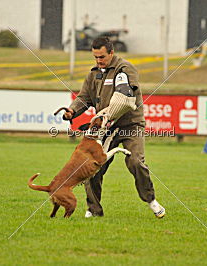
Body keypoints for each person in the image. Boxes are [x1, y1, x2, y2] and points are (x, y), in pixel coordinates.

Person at [63, 37, 165, 218]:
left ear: (111, 53)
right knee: (92, 168)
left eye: (101, 57)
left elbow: (126, 95)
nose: (98, 61)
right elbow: (84, 98)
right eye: (95, 57)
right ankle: (94, 210)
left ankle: (151, 200)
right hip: (105, 129)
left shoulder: (125, 68)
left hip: (130, 126)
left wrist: (109, 113)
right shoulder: (93, 74)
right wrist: (72, 110)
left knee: (135, 162)